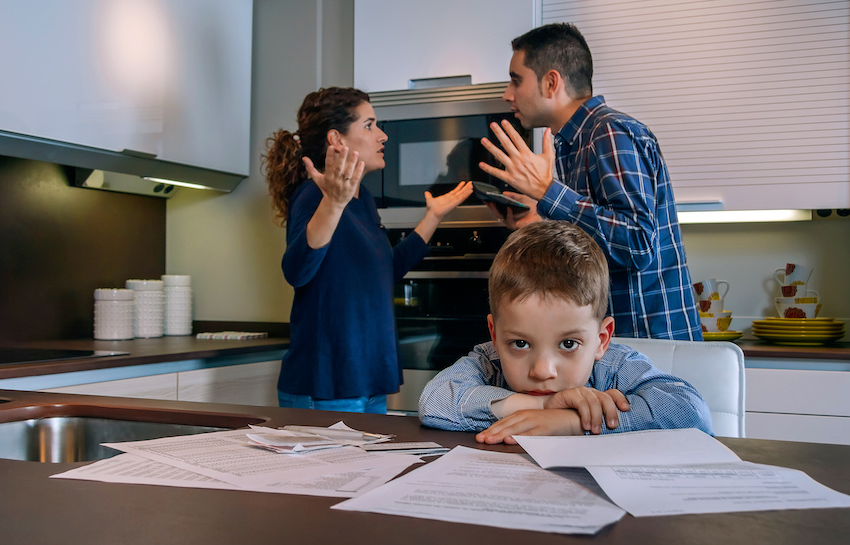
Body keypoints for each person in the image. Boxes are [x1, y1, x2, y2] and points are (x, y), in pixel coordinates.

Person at [478, 23, 701, 341]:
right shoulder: (571, 143)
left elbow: (638, 244)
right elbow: (597, 243)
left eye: (516, 81)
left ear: (551, 82)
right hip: (620, 344)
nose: (507, 94)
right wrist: (536, 216)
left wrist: (547, 191)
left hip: (652, 344)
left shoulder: (608, 132)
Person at [263, 87, 472, 414]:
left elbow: (385, 270)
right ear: (338, 140)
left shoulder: (364, 201)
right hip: (329, 386)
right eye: (370, 125)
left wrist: (433, 217)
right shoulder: (313, 195)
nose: (382, 135)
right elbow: (297, 270)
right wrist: (333, 203)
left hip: (368, 382)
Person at [418, 220, 713, 444]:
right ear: (495, 335)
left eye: (568, 343)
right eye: (520, 343)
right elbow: (435, 402)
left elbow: (691, 412)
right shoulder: (488, 360)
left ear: (602, 340)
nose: (543, 371)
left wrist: (572, 422)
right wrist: (542, 405)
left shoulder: (616, 365)